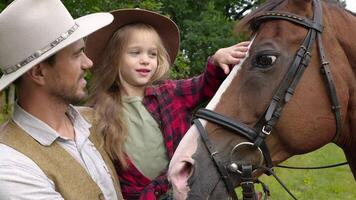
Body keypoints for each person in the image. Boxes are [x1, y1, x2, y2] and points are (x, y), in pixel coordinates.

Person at [85, 8, 249, 200]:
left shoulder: (170, 93)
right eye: (135, 53)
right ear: (114, 59)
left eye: (152, 54)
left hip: (187, 189)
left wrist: (216, 61)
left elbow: (203, 85)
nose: (145, 60)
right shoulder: (99, 111)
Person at [0, 0, 123, 199]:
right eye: (77, 54)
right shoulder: (11, 165)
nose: (88, 63)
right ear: (39, 72)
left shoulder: (94, 121)